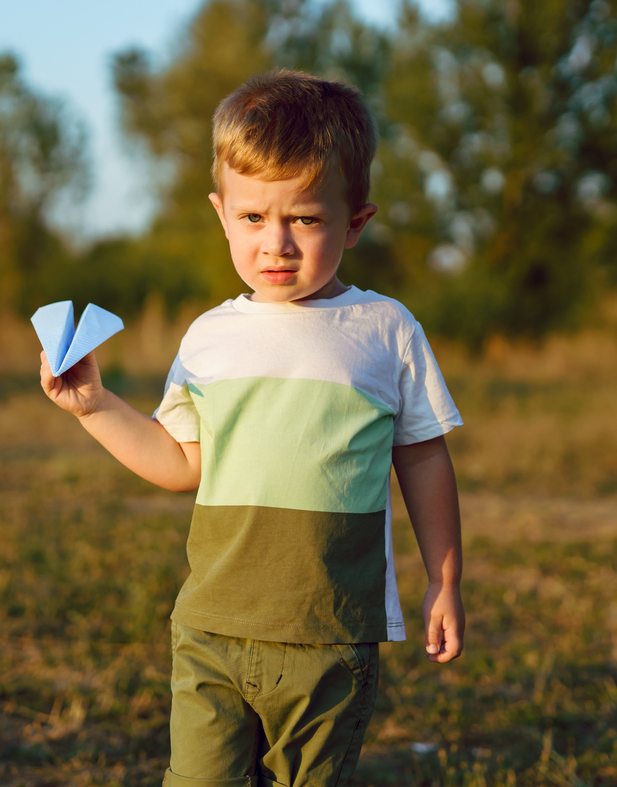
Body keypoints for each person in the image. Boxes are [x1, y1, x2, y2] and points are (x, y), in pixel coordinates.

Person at [40, 69, 463, 787]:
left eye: (305, 219)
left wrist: (445, 580)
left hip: (328, 635)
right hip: (212, 628)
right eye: (253, 219)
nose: (277, 245)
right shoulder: (209, 338)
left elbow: (423, 460)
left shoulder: (385, 329)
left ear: (355, 221)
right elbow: (181, 464)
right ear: (221, 212)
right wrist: (96, 408)